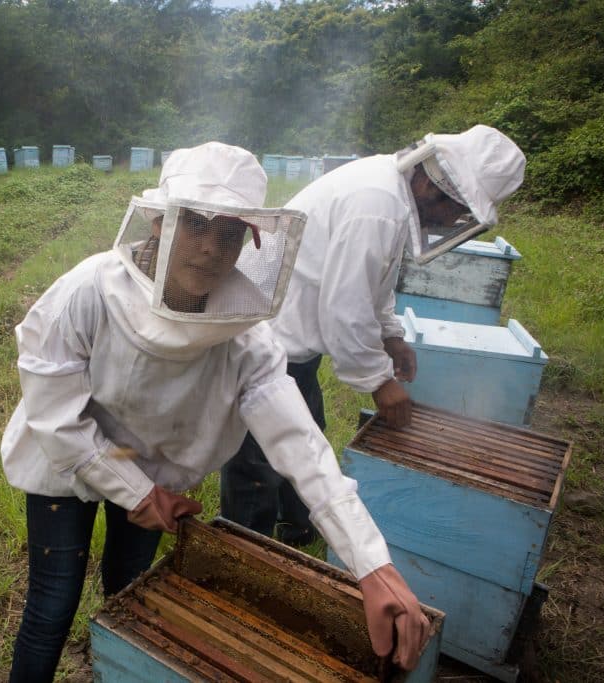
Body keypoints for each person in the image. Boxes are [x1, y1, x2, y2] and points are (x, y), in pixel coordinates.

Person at [1, 141, 431, 682]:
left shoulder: (246, 337)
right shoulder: (85, 293)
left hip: (151, 465)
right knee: (53, 601)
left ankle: (115, 666)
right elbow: (57, 417)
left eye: (229, 231)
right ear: (158, 223)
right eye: (196, 225)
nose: (210, 248)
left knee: (130, 590)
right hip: (62, 464)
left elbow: (302, 447)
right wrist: (135, 492)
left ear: (248, 240)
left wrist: (372, 563)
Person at [221, 125, 527, 545]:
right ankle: (242, 552)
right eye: (458, 210)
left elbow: (374, 281)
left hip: (290, 341)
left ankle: (297, 527)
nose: (453, 221)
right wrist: (380, 382)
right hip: (263, 339)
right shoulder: (377, 203)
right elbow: (344, 308)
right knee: (258, 461)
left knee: (306, 436)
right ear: (432, 184)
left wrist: (390, 334)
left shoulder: (390, 194)